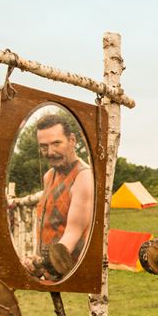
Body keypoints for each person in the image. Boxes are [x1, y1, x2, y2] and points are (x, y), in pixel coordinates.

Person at [20, 114, 94, 280]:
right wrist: (38, 261)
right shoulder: (49, 176)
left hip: (70, 274)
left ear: (72, 140)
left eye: (56, 143)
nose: (50, 152)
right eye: (44, 146)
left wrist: (43, 262)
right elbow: (50, 225)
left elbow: (73, 233)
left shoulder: (84, 177)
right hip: (50, 270)